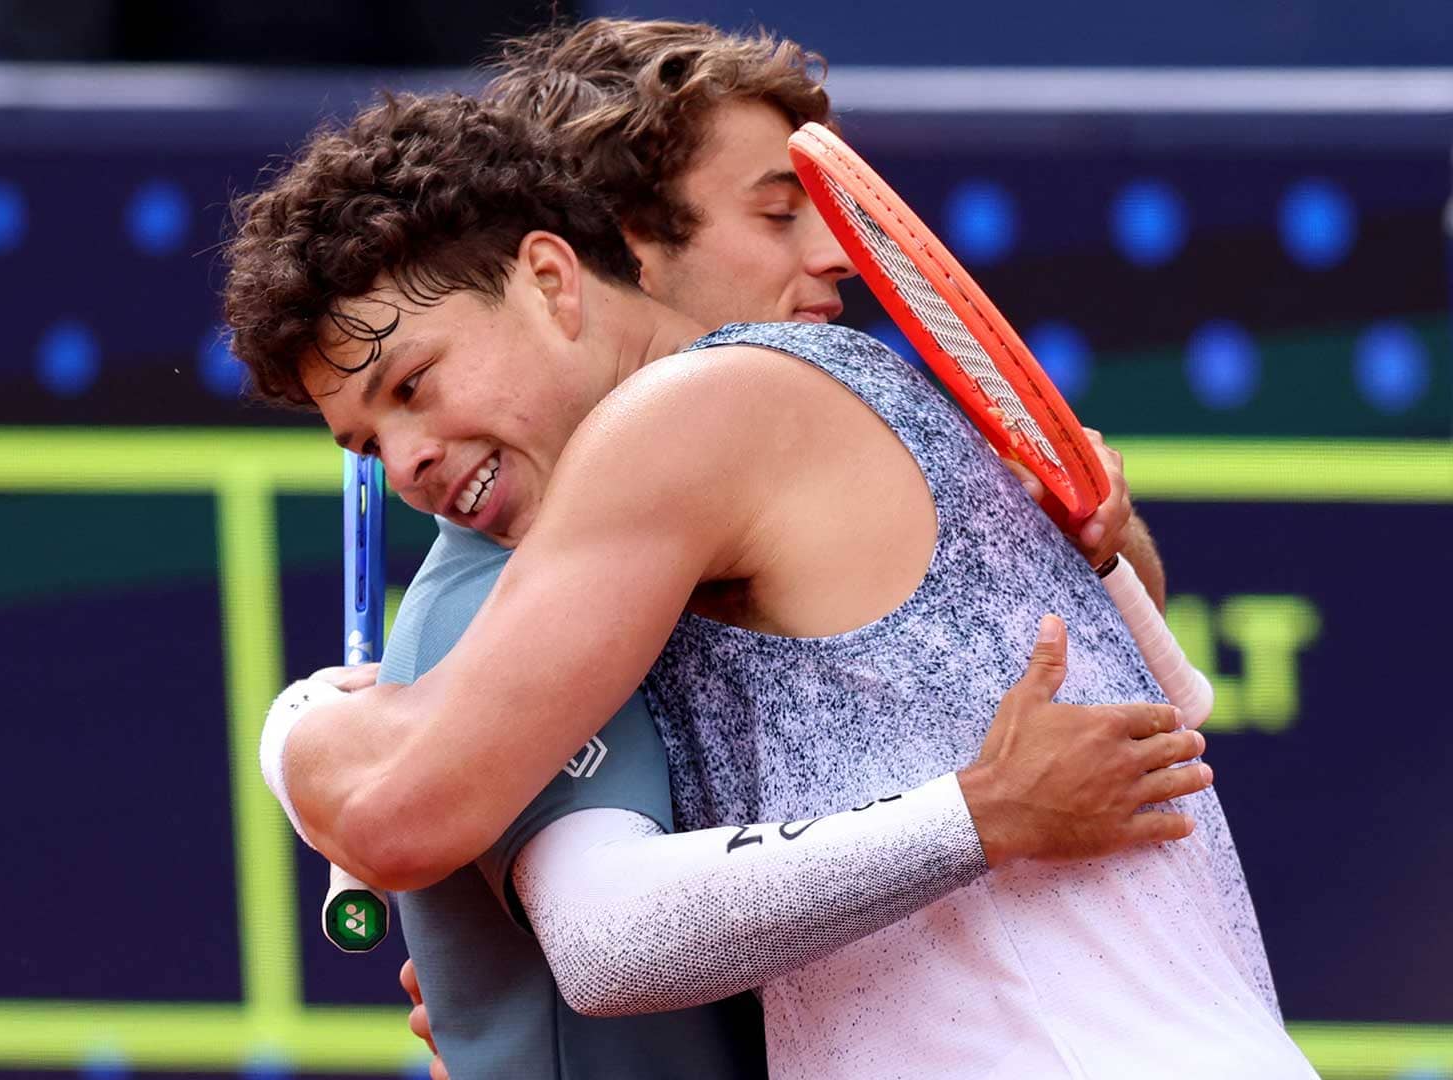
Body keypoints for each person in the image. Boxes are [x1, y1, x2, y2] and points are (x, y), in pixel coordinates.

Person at [225, 78, 1311, 1078]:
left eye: (416, 383)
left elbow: (402, 822)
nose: (405, 461)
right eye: (366, 445)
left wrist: (297, 723)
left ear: (554, 277)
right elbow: (1170, 699)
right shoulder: (832, 401)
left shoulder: (683, 421)